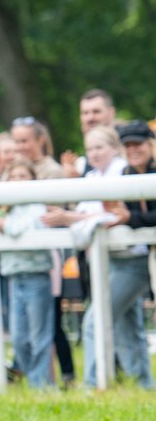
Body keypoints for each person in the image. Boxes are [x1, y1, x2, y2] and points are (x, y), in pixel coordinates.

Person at [43, 125, 151, 389]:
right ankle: (144, 384)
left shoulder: (120, 172)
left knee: (95, 320)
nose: (94, 153)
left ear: (114, 148)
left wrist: (70, 217)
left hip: (131, 258)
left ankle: (93, 384)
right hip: (110, 258)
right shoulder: (94, 175)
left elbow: (110, 216)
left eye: (99, 147)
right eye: (90, 148)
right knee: (128, 325)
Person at [0, 160, 55, 389]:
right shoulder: (5, 205)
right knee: (18, 338)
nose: (19, 179)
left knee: (40, 335)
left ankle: (41, 385)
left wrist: (5, 225)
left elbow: (32, 226)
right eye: (14, 175)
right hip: (14, 275)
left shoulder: (37, 203)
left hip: (36, 275)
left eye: (23, 175)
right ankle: (34, 379)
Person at [61, 89, 117, 178]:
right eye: (85, 113)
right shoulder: (82, 161)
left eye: (96, 111)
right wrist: (75, 179)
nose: (90, 118)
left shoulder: (129, 144)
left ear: (111, 112)